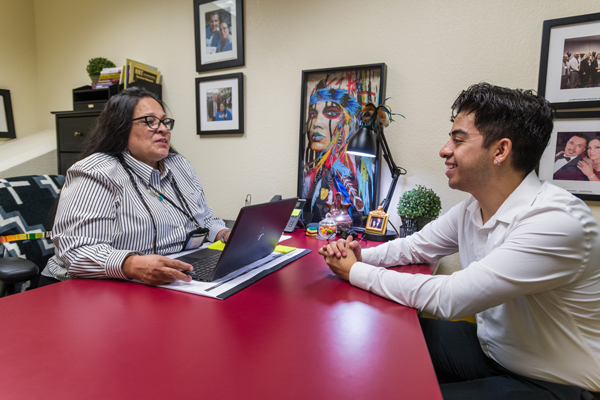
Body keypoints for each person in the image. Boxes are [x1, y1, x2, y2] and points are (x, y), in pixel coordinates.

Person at [319, 83, 600, 399]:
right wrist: (360, 255)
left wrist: (354, 271)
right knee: (385, 338)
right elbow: (416, 246)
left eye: (458, 139)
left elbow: (450, 297)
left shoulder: (557, 221)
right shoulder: (474, 206)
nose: (444, 150)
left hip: (558, 383)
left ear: (500, 150)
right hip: (491, 350)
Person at [40, 87, 231, 287]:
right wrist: (131, 264)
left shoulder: (180, 165)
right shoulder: (96, 172)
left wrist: (225, 234)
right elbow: (77, 251)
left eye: (165, 121)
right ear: (120, 130)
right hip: (86, 286)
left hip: (172, 278)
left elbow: (204, 219)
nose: (163, 129)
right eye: (150, 121)